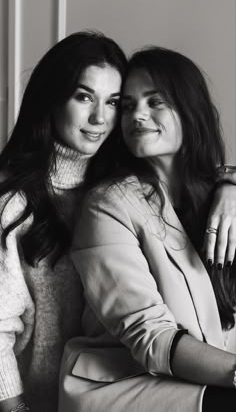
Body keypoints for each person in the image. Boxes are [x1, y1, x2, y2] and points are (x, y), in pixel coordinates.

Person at [60, 46, 236, 412]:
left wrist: (230, 184)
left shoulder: (220, 199)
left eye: (155, 101)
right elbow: (151, 336)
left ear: (190, 110)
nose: (137, 114)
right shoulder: (108, 204)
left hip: (200, 377)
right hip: (125, 387)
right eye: (127, 105)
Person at [0, 31, 127, 412]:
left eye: (113, 102)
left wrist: (229, 183)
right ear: (52, 98)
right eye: (84, 96)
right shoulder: (11, 197)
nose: (99, 118)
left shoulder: (122, 189)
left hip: (109, 400)